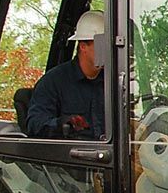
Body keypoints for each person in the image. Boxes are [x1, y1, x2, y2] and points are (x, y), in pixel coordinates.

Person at [27, 10, 108, 139]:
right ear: (83, 46)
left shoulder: (113, 83)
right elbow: (35, 125)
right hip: (69, 156)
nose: (109, 50)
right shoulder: (53, 82)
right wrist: (63, 124)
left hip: (109, 157)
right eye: (103, 44)